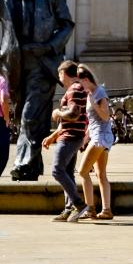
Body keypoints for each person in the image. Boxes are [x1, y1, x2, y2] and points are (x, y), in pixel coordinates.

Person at [0, 0, 75, 181]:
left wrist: (49, 46)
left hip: (43, 64)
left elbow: (66, 24)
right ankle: (32, 166)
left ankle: (22, 164)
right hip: (14, 65)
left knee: (30, 116)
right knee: (27, 115)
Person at [44, 60, 89, 221]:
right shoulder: (78, 89)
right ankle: (69, 209)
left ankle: (79, 204)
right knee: (68, 173)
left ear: (64, 73)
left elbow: (73, 113)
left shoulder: (74, 89)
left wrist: (57, 112)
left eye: (60, 75)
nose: (59, 78)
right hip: (71, 135)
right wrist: (53, 136)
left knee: (57, 170)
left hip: (70, 137)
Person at [77, 66, 114, 220]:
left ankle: (90, 208)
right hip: (98, 136)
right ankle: (106, 210)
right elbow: (92, 123)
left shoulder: (99, 93)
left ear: (86, 79)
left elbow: (106, 117)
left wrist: (94, 105)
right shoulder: (90, 94)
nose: (79, 87)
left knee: (82, 172)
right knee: (101, 174)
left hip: (101, 137)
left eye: (80, 83)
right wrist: (84, 140)